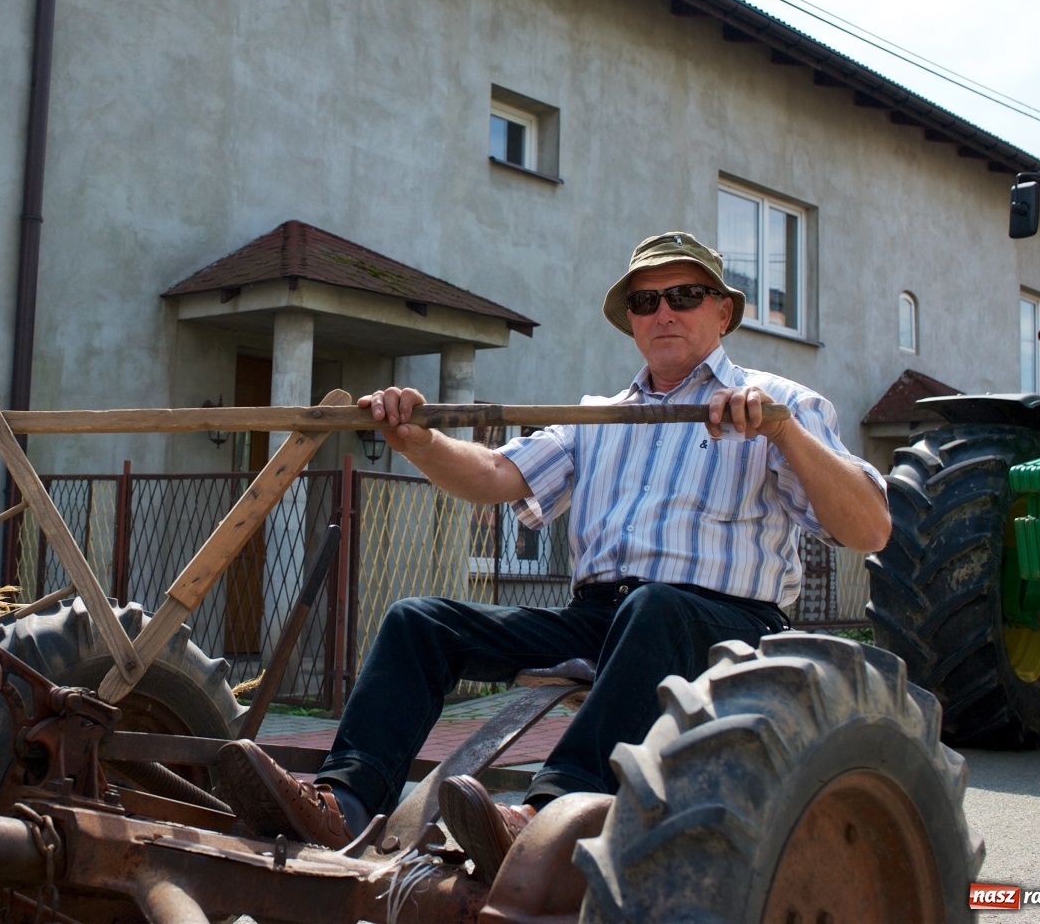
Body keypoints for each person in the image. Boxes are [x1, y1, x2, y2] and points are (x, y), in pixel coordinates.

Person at [215, 230, 890, 880]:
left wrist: (783, 432)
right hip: (603, 618)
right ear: (630, 320)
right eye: (645, 300)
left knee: (655, 607)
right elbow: (495, 474)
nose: (663, 312)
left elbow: (870, 528)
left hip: (728, 626)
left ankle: (546, 810)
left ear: (724, 312)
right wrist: (416, 438)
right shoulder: (598, 416)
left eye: (684, 295)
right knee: (417, 620)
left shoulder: (782, 403)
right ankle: (346, 804)